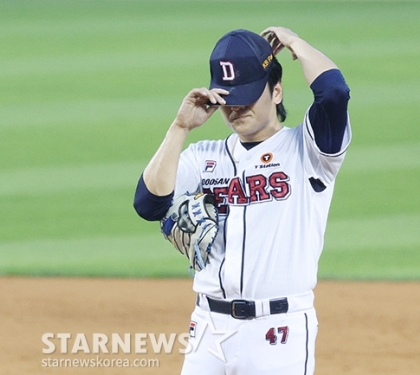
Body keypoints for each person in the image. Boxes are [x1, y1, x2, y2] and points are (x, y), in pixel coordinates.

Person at [133, 26, 351, 375]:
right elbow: (148, 204)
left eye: (247, 96)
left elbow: (335, 93)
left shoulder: (309, 151)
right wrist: (180, 127)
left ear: (276, 91)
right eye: (228, 98)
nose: (236, 108)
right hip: (208, 327)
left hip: (279, 331)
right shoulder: (203, 156)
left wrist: (295, 43)